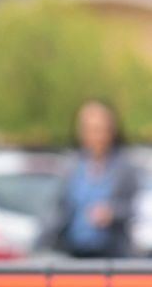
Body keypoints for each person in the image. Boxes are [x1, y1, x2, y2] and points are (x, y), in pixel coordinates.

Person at [50, 99, 140, 259]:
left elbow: (136, 208)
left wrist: (112, 213)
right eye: (88, 129)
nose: (94, 136)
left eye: (99, 129)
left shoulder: (124, 167)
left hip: (112, 254)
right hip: (74, 253)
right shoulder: (72, 165)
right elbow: (58, 209)